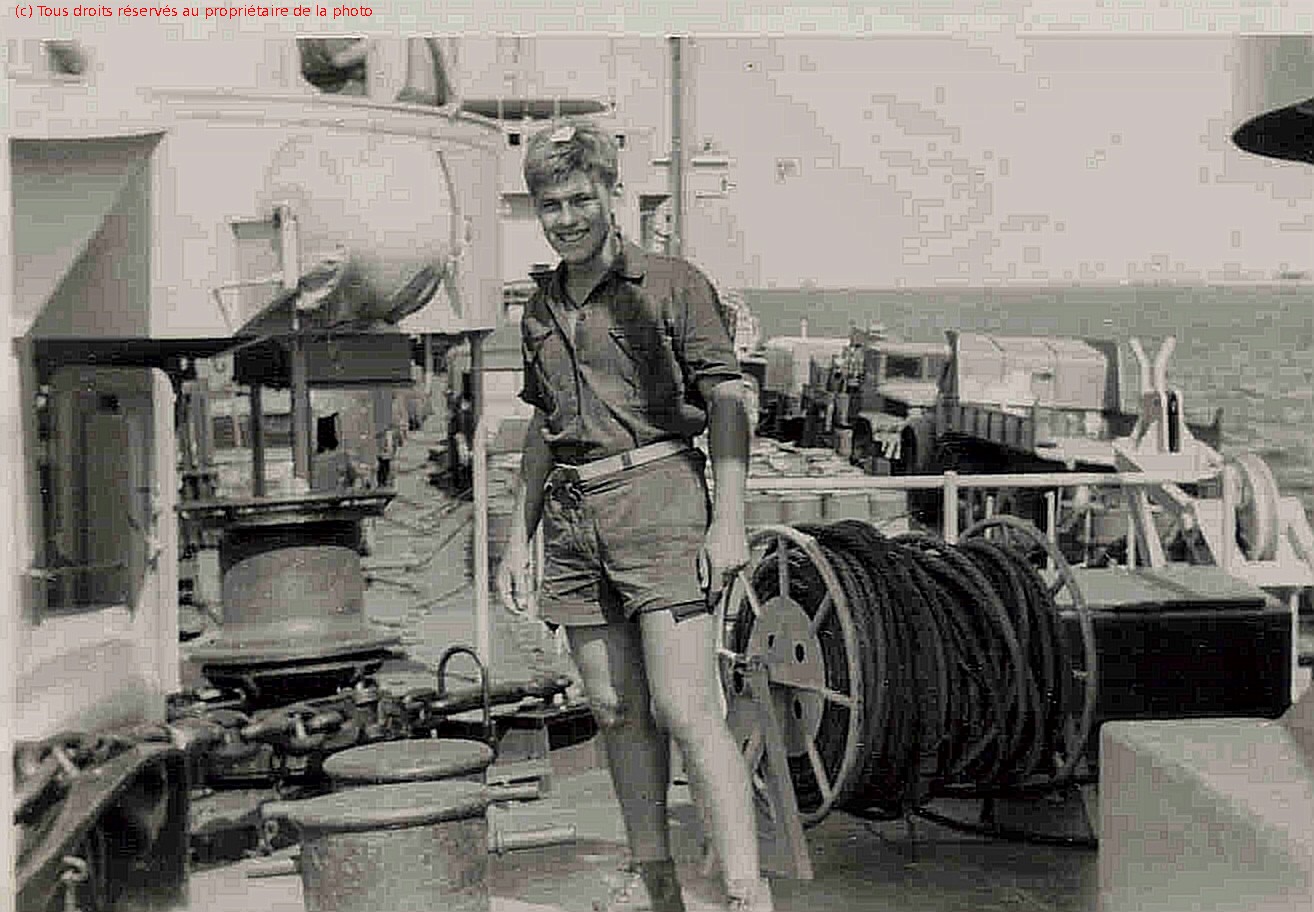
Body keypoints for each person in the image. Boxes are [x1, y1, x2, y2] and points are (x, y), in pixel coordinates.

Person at [495, 119, 772, 912]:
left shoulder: (674, 285)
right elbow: (545, 429)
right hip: (575, 520)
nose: (567, 218)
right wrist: (517, 539)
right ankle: (656, 883)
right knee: (615, 710)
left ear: (610, 194)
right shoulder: (540, 308)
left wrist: (728, 519)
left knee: (685, 707)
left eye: (580, 199)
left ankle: (746, 891)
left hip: (661, 503)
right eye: (551, 205)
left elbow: (727, 398)